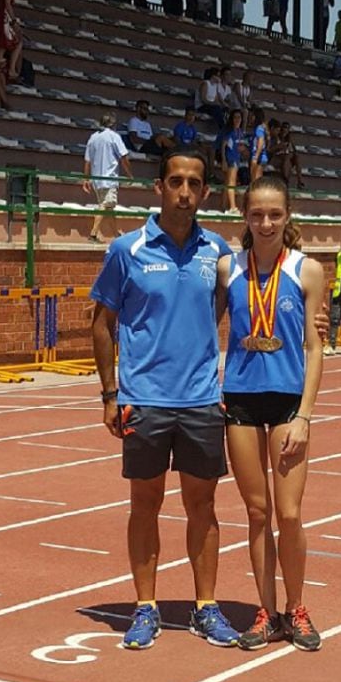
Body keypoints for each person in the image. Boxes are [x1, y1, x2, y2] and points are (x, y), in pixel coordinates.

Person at [90, 149, 241, 651]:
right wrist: (110, 393)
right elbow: (102, 324)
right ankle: (146, 608)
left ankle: (206, 608)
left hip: (200, 400)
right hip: (144, 400)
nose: (184, 191)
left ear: (204, 192)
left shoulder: (217, 252)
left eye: (194, 183)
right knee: (145, 504)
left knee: (204, 506)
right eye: (175, 181)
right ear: (158, 188)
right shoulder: (125, 250)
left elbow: (236, 307)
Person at [222, 175, 325, 652]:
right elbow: (202, 324)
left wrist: (305, 414)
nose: (265, 223)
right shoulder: (227, 269)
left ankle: (297, 607)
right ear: (245, 217)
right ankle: (266, 611)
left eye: (275, 214)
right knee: (257, 512)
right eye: (257, 214)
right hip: (240, 398)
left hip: (287, 401)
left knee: (289, 512)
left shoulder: (307, 271)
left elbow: (314, 345)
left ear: (288, 218)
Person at [83, 112, 134, 243]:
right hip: (109, 178)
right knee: (105, 204)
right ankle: (93, 233)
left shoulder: (93, 138)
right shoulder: (114, 137)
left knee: (108, 207)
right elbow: (124, 157)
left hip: (96, 179)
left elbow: (87, 161)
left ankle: (116, 234)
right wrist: (129, 175)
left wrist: (86, 178)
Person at [221, 107, 246, 214]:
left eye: (239, 117)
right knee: (232, 182)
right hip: (230, 158)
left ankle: (223, 205)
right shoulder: (229, 131)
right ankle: (232, 206)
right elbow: (223, 145)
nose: (237, 120)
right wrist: (223, 160)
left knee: (228, 182)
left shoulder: (240, 132)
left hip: (237, 158)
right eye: (235, 117)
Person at [249, 105, 269, 181]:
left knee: (255, 179)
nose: (251, 117)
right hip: (262, 156)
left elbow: (261, 141)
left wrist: (256, 156)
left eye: (253, 116)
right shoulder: (261, 128)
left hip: (258, 156)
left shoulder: (259, 128)